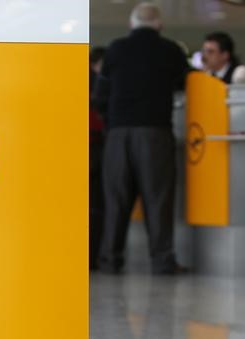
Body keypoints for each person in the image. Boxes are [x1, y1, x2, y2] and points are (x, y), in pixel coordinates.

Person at [93, 2, 189, 275]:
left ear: (131, 24)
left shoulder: (115, 49)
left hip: (118, 135)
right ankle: (162, 260)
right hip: (155, 133)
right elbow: (187, 85)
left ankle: (110, 259)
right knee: (158, 199)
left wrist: (114, 124)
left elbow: (99, 96)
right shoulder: (171, 50)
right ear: (160, 25)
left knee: (115, 199)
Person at [89, 46, 107, 270]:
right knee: (95, 204)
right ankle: (92, 256)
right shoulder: (97, 81)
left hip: (85, 144)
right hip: (94, 144)